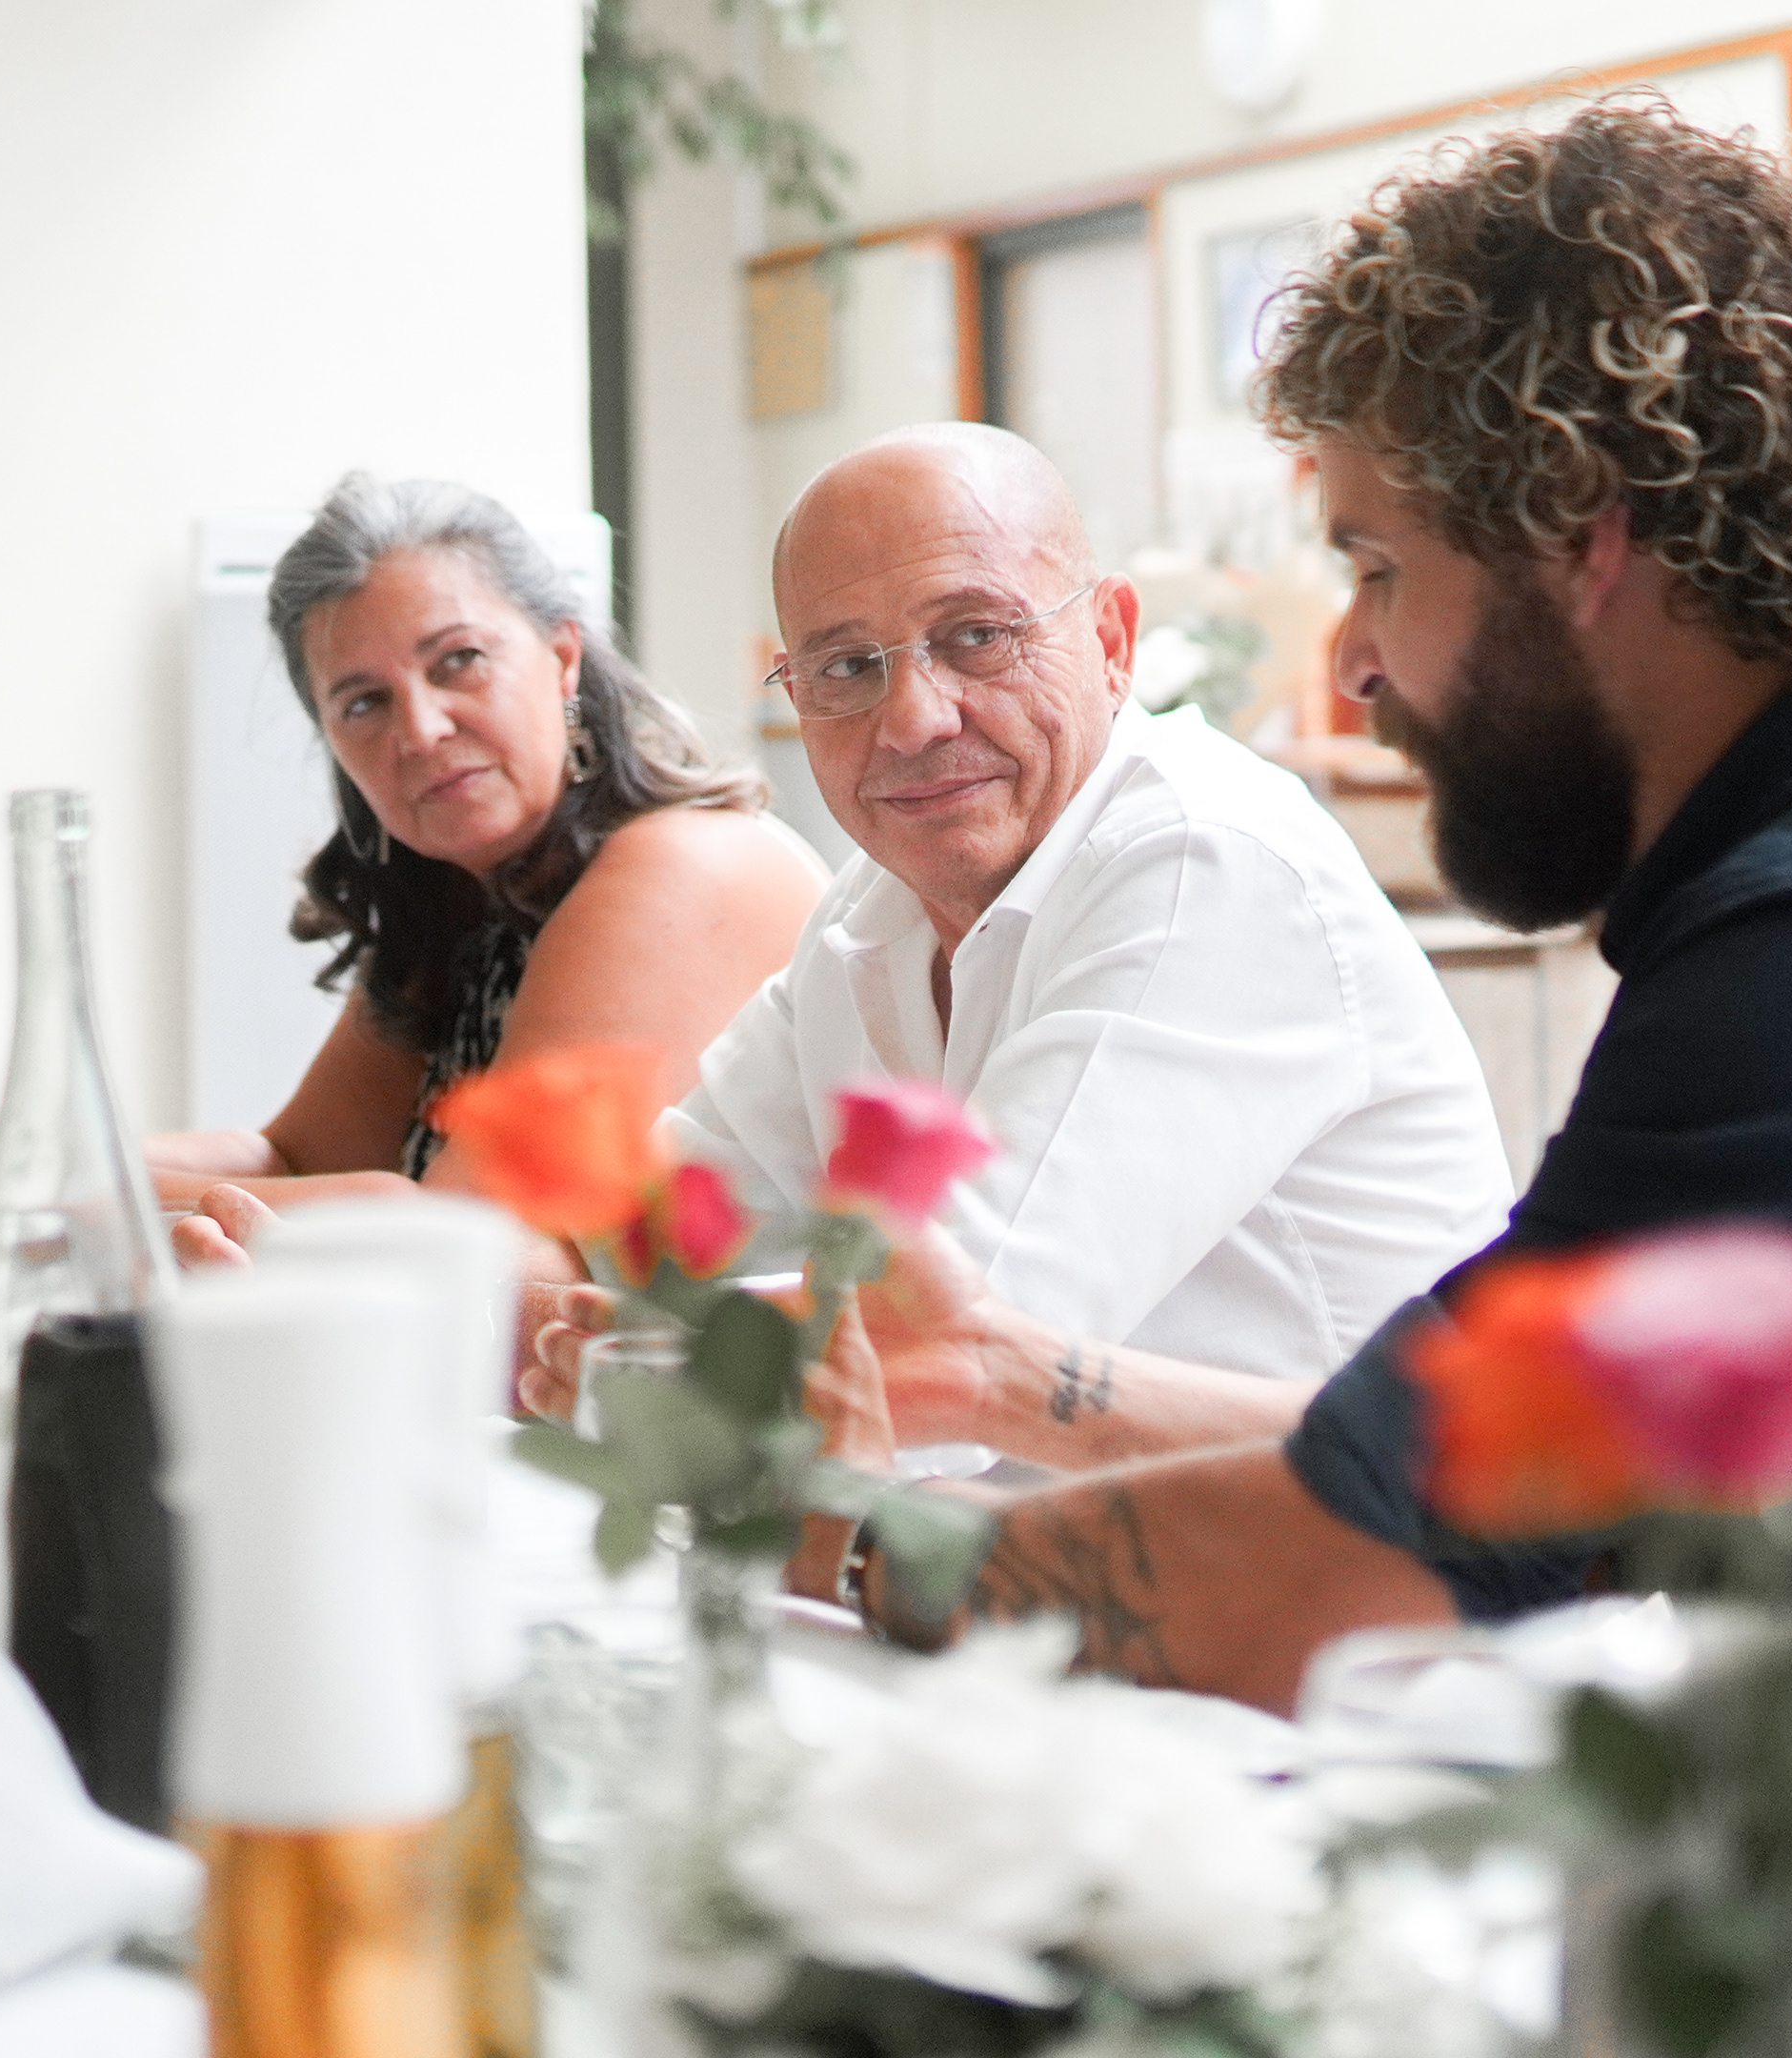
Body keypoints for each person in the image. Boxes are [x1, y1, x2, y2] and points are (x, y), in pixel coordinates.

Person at [815, 100, 1792, 1911]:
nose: (1352, 662)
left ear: (1580, 537)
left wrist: (844, 1543)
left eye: (1380, 568)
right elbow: (1474, 1468)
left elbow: (1330, 1577)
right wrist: (1014, 1382)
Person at [521, 422, 1511, 1413]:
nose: (914, 720)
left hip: (1339, 1514)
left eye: (978, 637)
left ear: (1112, 642)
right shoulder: (875, 910)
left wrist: (626, 1360)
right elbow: (640, 1248)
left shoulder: (1205, 860)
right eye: (849, 667)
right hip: (1057, 1511)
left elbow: (955, 1359)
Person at [150, 474, 823, 1261]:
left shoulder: (686, 863)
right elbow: (296, 1160)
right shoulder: (465, 895)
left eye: (459, 660)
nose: (421, 729)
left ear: (563, 658)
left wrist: (84, 1199)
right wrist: (54, 1162)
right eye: (364, 703)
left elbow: (465, 1238)